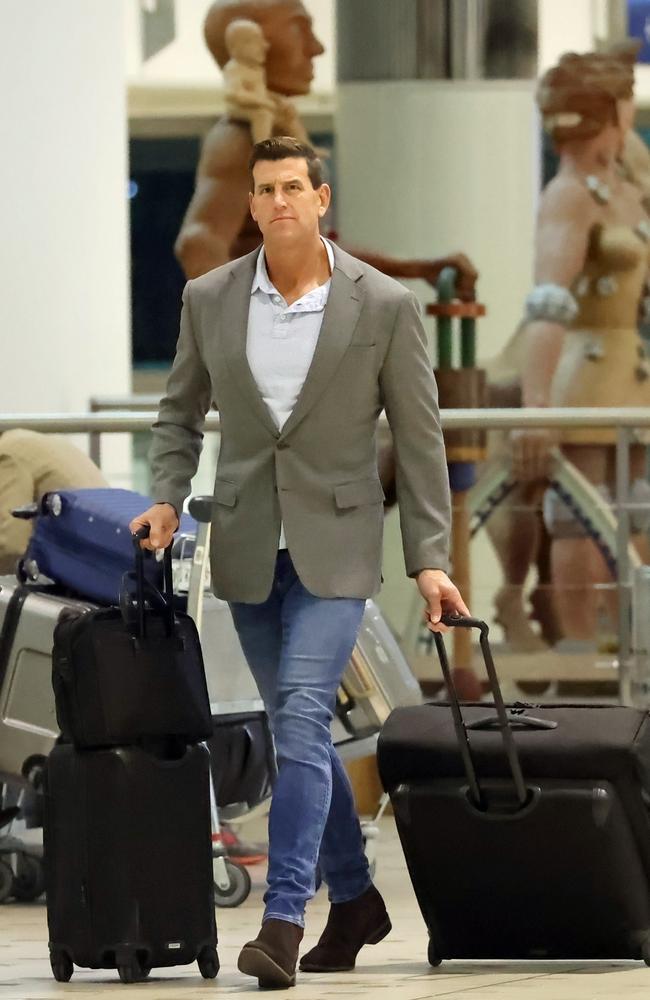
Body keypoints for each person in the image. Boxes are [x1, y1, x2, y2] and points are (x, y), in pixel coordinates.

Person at [131, 136, 468, 988]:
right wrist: (168, 495)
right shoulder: (210, 298)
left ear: (321, 199)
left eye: (293, 187)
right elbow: (177, 415)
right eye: (265, 189)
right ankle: (356, 897)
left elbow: (422, 444)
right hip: (246, 541)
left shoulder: (383, 304)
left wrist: (429, 559)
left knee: (304, 717)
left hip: (341, 544)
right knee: (294, 730)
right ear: (251, 205)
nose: (279, 200)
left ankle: (283, 920)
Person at [175, 0, 477, 302]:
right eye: (299, 29)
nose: (316, 48)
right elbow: (200, 243)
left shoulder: (274, 134)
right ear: (249, 41)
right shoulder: (239, 139)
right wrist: (239, 334)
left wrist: (416, 268)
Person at [511, 48, 650, 641]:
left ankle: (635, 643)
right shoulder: (569, 195)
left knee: (639, 508)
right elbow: (548, 300)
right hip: (586, 371)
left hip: (633, 373)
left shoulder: (622, 188)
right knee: (579, 518)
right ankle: (581, 646)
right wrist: (536, 405)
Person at [0, 429, 107, 575]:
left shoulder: (6, 455)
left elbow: (11, 548)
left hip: (85, 570)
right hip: (108, 561)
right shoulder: (30, 442)